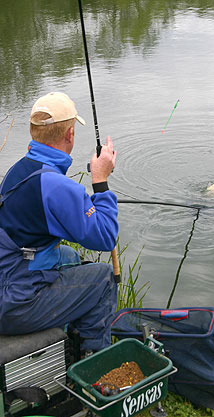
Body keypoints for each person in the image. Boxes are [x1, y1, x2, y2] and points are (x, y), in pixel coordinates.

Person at [0, 92, 119, 352]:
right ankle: (94, 362)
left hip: (8, 274)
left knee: (68, 255)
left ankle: (71, 337)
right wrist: (100, 181)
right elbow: (106, 237)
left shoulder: (19, 169)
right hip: (13, 304)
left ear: (34, 132)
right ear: (70, 135)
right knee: (103, 279)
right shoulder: (56, 186)